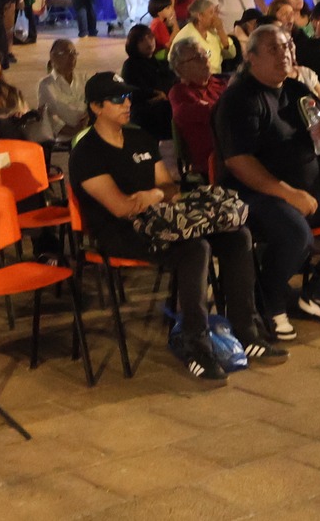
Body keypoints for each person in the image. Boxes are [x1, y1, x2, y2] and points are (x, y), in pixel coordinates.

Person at [71, 70, 283, 378]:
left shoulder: (138, 137)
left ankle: (246, 330)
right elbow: (121, 208)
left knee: (238, 236)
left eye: (127, 97)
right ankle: (195, 343)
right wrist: (152, 196)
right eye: (117, 99)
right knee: (194, 249)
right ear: (96, 107)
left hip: (163, 220)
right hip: (120, 232)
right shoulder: (86, 153)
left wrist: (153, 194)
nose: (126, 103)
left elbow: (169, 188)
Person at [214, 25, 320, 334]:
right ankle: (268, 301)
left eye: (288, 47)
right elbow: (238, 161)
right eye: (274, 49)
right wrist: (287, 193)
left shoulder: (296, 90)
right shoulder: (240, 98)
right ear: (251, 57)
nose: (285, 54)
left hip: (309, 188)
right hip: (256, 193)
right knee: (296, 233)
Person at [167, 33, 228, 178]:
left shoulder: (221, 83)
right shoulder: (180, 93)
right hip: (216, 160)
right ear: (180, 68)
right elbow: (211, 114)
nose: (206, 59)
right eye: (197, 57)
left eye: (205, 54)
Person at [33, 38, 89, 144]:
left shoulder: (84, 79)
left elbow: (92, 104)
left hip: (87, 130)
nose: (72, 57)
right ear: (53, 57)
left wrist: (85, 123)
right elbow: (48, 116)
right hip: (63, 135)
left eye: (74, 53)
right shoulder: (46, 85)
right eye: (66, 53)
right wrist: (73, 130)